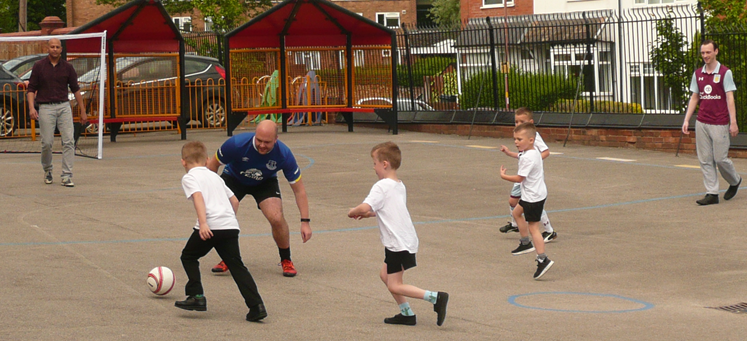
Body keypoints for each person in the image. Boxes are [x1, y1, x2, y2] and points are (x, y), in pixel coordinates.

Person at [348, 141, 449, 326]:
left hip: (397, 243)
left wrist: (354, 211)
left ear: (384, 164)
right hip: (405, 240)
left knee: (394, 284)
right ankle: (407, 313)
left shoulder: (381, 186)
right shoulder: (398, 185)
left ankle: (435, 297)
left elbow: (365, 205)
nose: (374, 168)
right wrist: (370, 214)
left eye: (375, 163)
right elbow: (387, 209)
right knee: (385, 275)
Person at [175, 141, 267, 322]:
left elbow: (198, 198)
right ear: (207, 159)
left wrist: (203, 223)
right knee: (237, 266)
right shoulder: (215, 177)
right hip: (230, 226)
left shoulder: (190, 177)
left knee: (188, 257)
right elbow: (234, 200)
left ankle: (196, 296)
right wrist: (228, 219)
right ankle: (257, 306)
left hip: (211, 226)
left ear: (183, 162)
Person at [207, 120, 312, 277]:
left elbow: (299, 190)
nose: (262, 145)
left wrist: (305, 222)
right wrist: (211, 194)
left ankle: (286, 260)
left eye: (267, 142)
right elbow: (212, 165)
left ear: (276, 139)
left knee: (276, 218)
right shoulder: (236, 144)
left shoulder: (284, 154)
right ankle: (228, 258)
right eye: (259, 140)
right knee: (224, 214)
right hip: (234, 177)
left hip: (264, 181)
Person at [682, 39, 741, 206]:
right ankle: (712, 193)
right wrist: (687, 119)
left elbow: (730, 97)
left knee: (720, 158)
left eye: (708, 52)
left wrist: (733, 122)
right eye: (703, 53)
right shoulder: (698, 74)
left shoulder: (724, 73)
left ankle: (735, 180)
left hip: (720, 122)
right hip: (702, 122)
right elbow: (695, 97)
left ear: (716, 52)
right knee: (705, 159)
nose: (705, 55)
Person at [26, 38, 87, 187]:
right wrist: (31, 108)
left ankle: (67, 175)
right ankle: (47, 170)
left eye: (57, 47)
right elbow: (31, 89)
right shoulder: (39, 66)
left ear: (61, 49)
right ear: (48, 48)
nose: (54, 49)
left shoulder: (68, 67)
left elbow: (76, 89)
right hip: (46, 107)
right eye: (52, 46)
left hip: (64, 106)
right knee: (47, 142)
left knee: (68, 141)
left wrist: (83, 110)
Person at [500, 122, 555, 280]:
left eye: (519, 139)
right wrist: (509, 153)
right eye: (515, 139)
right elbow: (520, 155)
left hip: (533, 197)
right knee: (517, 213)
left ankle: (542, 259)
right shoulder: (532, 151)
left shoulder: (528, 158)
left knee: (534, 228)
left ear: (531, 140)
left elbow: (519, 178)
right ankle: (525, 243)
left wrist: (504, 176)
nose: (516, 142)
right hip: (533, 194)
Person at [498, 108, 557, 242]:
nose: (518, 124)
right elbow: (522, 156)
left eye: (522, 121)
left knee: (533, 203)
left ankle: (549, 231)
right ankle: (515, 224)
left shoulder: (533, 137)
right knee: (513, 201)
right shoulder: (522, 138)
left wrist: (533, 164)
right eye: (516, 121)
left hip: (528, 178)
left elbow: (546, 152)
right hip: (523, 177)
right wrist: (509, 153)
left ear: (530, 122)